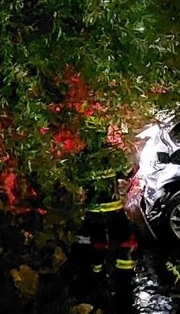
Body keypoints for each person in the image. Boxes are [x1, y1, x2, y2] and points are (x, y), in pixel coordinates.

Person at [70, 125, 138, 311]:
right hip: (114, 211)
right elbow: (128, 172)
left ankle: (96, 287)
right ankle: (125, 292)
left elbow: (75, 183)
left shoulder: (81, 159)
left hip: (93, 214)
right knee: (125, 247)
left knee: (96, 248)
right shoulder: (112, 155)